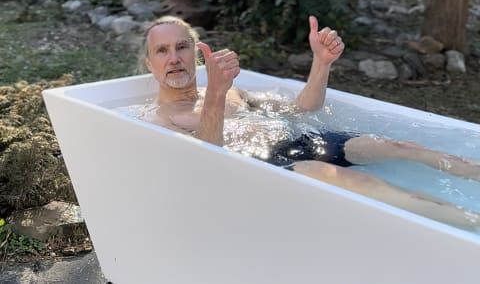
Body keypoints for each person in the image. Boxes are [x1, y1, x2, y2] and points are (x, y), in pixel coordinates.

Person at [140, 15, 480, 230]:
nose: (174, 58)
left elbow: (301, 109)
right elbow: (206, 159)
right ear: (149, 63)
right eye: (162, 51)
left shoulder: (231, 91)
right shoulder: (159, 118)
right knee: (357, 182)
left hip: (298, 140)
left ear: (195, 54)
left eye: (182, 47)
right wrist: (214, 93)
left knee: (400, 146)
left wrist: (321, 63)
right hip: (260, 166)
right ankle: (471, 223)